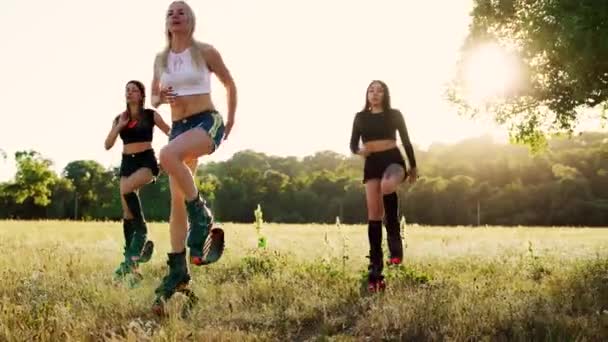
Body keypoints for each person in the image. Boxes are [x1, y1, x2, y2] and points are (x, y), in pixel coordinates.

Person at [149, 1, 237, 314]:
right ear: (166, 22)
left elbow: (229, 82)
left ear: (191, 20)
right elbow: (153, 97)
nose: (175, 15)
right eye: (170, 12)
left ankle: (202, 214)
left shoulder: (205, 52)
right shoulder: (161, 58)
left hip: (205, 122)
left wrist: (230, 119)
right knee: (175, 202)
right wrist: (161, 97)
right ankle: (178, 270)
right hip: (179, 128)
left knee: (166, 154)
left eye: (181, 11)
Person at [349, 80, 418, 292]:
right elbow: (352, 144)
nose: (375, 93)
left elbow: (406, 140)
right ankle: (376, 267)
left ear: (385, 94)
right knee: (374, 214)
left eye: (379, 90)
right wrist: (360, 151)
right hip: (372, 164)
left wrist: (413, 166)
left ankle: (394, 241)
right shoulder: (360, 117)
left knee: (388, 186)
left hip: (393, 160)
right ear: (367, 95)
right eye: (371, 90)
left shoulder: (395, 114)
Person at [104, 80, 171, 284]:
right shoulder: (119, 118)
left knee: (126, 188)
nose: (130, 93)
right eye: (127, 90)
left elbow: (171, 133)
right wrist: (120, 126)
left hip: (146, 161)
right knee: (127, 212)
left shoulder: (150, 115)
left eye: (134, 90)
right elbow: (108, 144)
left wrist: (172, 155)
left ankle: (141, 237)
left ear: (141, 95)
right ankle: (132, 261)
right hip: (126, 163)